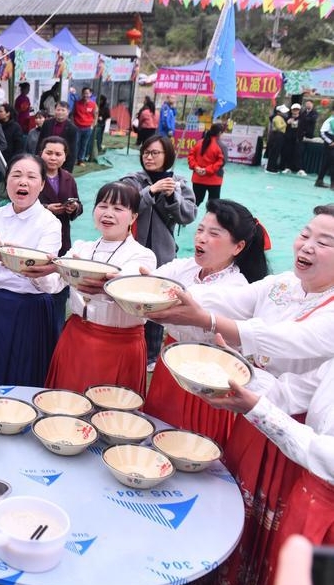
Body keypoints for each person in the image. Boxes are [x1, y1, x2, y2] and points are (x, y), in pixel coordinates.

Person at [146, 204, 334, 585]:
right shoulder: (281, 284)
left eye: (325, 241)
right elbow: (230, 300)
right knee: (232, 508)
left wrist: (209, 323)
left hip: (293, 437)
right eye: (306, 234)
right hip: (252, 415)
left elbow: (289, 340)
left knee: (271, 526)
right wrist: (159, 295)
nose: (308, 245)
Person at [142, 199, 268, 447]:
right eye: (200, 230)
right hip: (170, 366)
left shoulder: (237, 289)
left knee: (192, 445)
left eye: (214, 234)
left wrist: (152, 291)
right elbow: (150, 281)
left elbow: (171, 296)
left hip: (207, 379)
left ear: (238, 247)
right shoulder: (185, 267)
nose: (201, 238)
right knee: (156, 434)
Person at [204, 357, 334, 585]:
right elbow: (287, 392)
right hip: (307, 496)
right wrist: (230, 366)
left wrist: (257, 410)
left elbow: (324, 455)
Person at [26, 182, 156, 394]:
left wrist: (104, 285)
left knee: (110, 414)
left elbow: (128, 283)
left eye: (118, 208)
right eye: (103, 205)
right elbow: (54, 284)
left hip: (119, 346)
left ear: (133, 217)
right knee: (66, 407)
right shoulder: (81, 248)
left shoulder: (142, 255)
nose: (108, 213)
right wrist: (39, 270)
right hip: (76, 337)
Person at [0, 154, 62, 386]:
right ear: (6, 181)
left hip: (30, 308)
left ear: (41, 185)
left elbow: (42, 273)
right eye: (16, 175)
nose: (23, 182)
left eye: (31, 177)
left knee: (24, 373)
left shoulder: (50, 223)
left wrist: (3, 255)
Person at [120, 135, 197, 370]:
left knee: (157, 302)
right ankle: (126, 346)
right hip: (132, 250)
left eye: (155, 153)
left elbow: (188, 215)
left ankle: (151, 354)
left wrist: (172, 196)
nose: (149, 157)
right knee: (129, 297)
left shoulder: (180, 183)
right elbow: (125, 205)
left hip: (162, 253)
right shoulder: (132, 181)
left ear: (168, 156)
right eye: (146, 152)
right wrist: (151, 191)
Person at [38, 136, 82, 336]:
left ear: (65, 157)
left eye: (58, 154)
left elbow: (77, 207)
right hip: (37, 238)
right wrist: (46, 208)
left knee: (59, 287)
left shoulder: (68, 178)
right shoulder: (33, 174)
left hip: (62, 240)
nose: (53, 158)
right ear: (41, 152)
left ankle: (55, 334)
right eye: (49, 152)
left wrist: (73, 207)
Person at [188, 122, 226, 207]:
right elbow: (222, 161)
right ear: (220, 133)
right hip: (214, 180)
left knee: (194, 202)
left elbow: (191, 156)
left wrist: (196, 167)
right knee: (214, 206)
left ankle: (183, 218)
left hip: (198, 178)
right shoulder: (221, 145)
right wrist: (207, 170)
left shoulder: (199, 142)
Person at [37, 102, 78, 173]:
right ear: (55, 110)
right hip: (46, 158)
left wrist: (68, 169)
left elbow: (72, 149)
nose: (60, 112)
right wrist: (38, 157)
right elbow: (40, 141)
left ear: (68, 112)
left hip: (62, 161)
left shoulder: (72, 128)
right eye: (58, 110)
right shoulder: (47, 123)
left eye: (63, 110)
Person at [72, 87, 97, 165]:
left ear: (90, 94)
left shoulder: (93, 105)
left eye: (87, 93)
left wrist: (92, 126)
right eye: (84, 93)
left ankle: (81, 160)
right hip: (77, 127)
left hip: (87, 128)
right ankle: (73, 159)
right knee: (75, 144)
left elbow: (95, 116)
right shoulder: (77, 103)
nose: (86, 95)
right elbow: (72, 114)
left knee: (84, 144)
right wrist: (73, 124)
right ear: (82, 94)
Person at [0, 103, 25, 169]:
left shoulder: (15, 127)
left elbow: (19, 147)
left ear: (8, 113)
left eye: (1, 111)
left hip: (9, 161)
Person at [282, 103, 307, 175]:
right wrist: (287, 123)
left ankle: (300, 169)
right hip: (289, 139)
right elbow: (284, 128)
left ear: (299, 110)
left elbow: (305, 128)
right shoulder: (287, 118)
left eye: (297, 110)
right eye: (294, 109)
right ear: (291, 110)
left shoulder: (303, 119)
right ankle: (288, 167)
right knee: (288, 153)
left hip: (298, 139)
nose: (295, 111)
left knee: (298, 154)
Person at [266, 105, 289, 174]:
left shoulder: (280, 118)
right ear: (278, 112)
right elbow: (279, 127)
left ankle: (272, 167)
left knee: (276, 152)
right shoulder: (277, 118)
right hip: (277, 135)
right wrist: (285, 124)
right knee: (274, 152)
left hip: (279, 135)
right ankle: (270, 168)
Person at [316, 103, 334, 189]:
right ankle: (333, 184)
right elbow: (322, 132)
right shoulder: (329, 120)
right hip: (330, 144)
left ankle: (319, 180)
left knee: (326, 163)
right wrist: (330, 142)